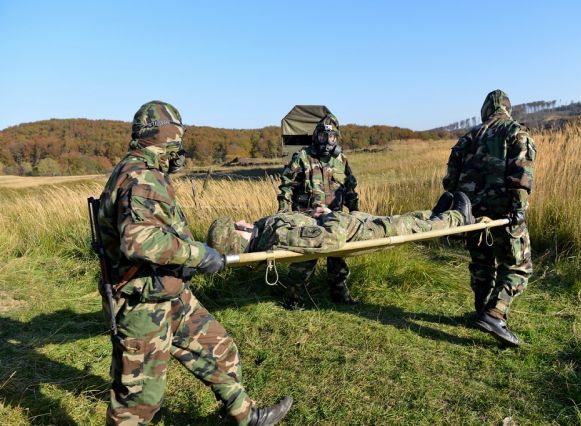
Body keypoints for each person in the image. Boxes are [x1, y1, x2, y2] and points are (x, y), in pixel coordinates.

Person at [97, 100, 292, 426]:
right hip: (141, 302)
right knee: (140, 402)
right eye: (178, 137)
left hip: (167, 290)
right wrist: (200, 255)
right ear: (167, 136)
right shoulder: (141, 177)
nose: (180, 146)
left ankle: (245, 417)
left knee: (218, 348)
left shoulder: (147, 171)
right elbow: (139, 241)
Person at [442, 89, 537, 347]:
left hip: (470, 212)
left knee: (482, 263)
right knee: (519, 265)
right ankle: (495, 314)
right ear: (507, 108)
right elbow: (521, 173)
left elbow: (450, 180)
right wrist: (518, 209)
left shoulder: (468, 137)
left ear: (485, 110)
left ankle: (480, 310)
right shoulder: (516, 132)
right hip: (503, 211)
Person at [207, 191, 474, 257]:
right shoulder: (277, 237)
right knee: (408, 226)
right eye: (236, 225)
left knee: (406, 218)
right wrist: (327, 215)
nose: (240, 220)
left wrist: (318, 214)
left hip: (352, 224)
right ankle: (458, 219)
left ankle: (435, 214)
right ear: (238, 237)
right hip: (360, 233)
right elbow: (331, 239)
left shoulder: (266, 229)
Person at [277, 114, 359, 308]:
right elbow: (286, 185)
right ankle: (295, 299)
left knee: (338, 256)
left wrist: (356, 212)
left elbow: (350, 189)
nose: (327, 141)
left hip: (334, 218)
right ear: (316, 136)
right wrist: (283, 211)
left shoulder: (341, 160)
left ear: (336, 138)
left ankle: (339, 294)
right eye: (323, 136)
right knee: (305, 259)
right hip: (307, 217)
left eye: (331, 137)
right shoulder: (303, 157)